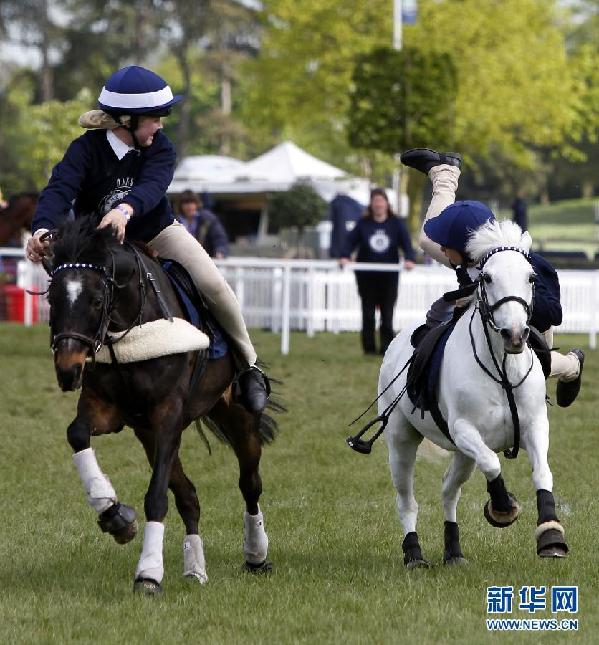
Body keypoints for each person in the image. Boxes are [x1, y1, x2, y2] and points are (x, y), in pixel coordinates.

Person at [25, 65, 269, 413]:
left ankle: (249, 367)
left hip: (158, 231)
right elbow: (59, 189)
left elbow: (152, 188)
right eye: (155, 117)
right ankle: (76, 358)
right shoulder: (84, 150)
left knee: (214, 285)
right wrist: (41, 229)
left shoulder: (161, 147)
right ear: (127, 120)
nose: (160, 125)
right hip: (100, 242)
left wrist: (124, 211)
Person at [401, 147, 584, 407]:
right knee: (425, 240)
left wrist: (507, 295)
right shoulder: (469, 255)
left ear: (465, 248)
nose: (441, 248)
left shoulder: (526, 265)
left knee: (536, 363)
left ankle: (572, 365)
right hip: (487, 315)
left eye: (447, 244)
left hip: (527, 331)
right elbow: (443, 245)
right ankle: (445, 173)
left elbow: (552, 314)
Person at [340, 187, 416, 355]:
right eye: (375, 201)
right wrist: (345, 256)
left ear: (387, 204)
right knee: (368, 314)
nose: (378, 205)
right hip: (366, 277)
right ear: (371, 205)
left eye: (381, 201)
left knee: (387, 314)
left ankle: (386, 349)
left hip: (389, 277)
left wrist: (410, 258)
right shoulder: (363, 223)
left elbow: (406, 244)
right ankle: (369, 349)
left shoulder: (396, 223)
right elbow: (349, 242)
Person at [177, 189, 229, 259]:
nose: (189, 206)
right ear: (181, 205)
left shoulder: (208, 218)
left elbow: (219, 238)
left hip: (205, 259)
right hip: (182, 260)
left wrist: (220, 251)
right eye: (186, 203)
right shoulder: (175, 221)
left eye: (192, 202)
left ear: (197, 204)